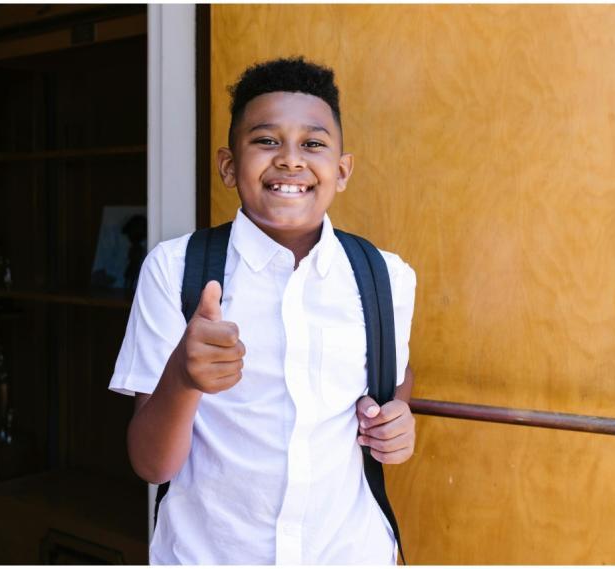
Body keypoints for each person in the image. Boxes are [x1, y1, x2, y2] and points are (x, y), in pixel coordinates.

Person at [109, 56, 417, 565]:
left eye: (313, 144)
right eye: (267, 140)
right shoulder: (175, 269)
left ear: (342, 171)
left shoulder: (387, 276)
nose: (291, 160)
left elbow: (396, 368)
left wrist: (396, 414)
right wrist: (183, 376)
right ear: (229, 166)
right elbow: (150, 464)